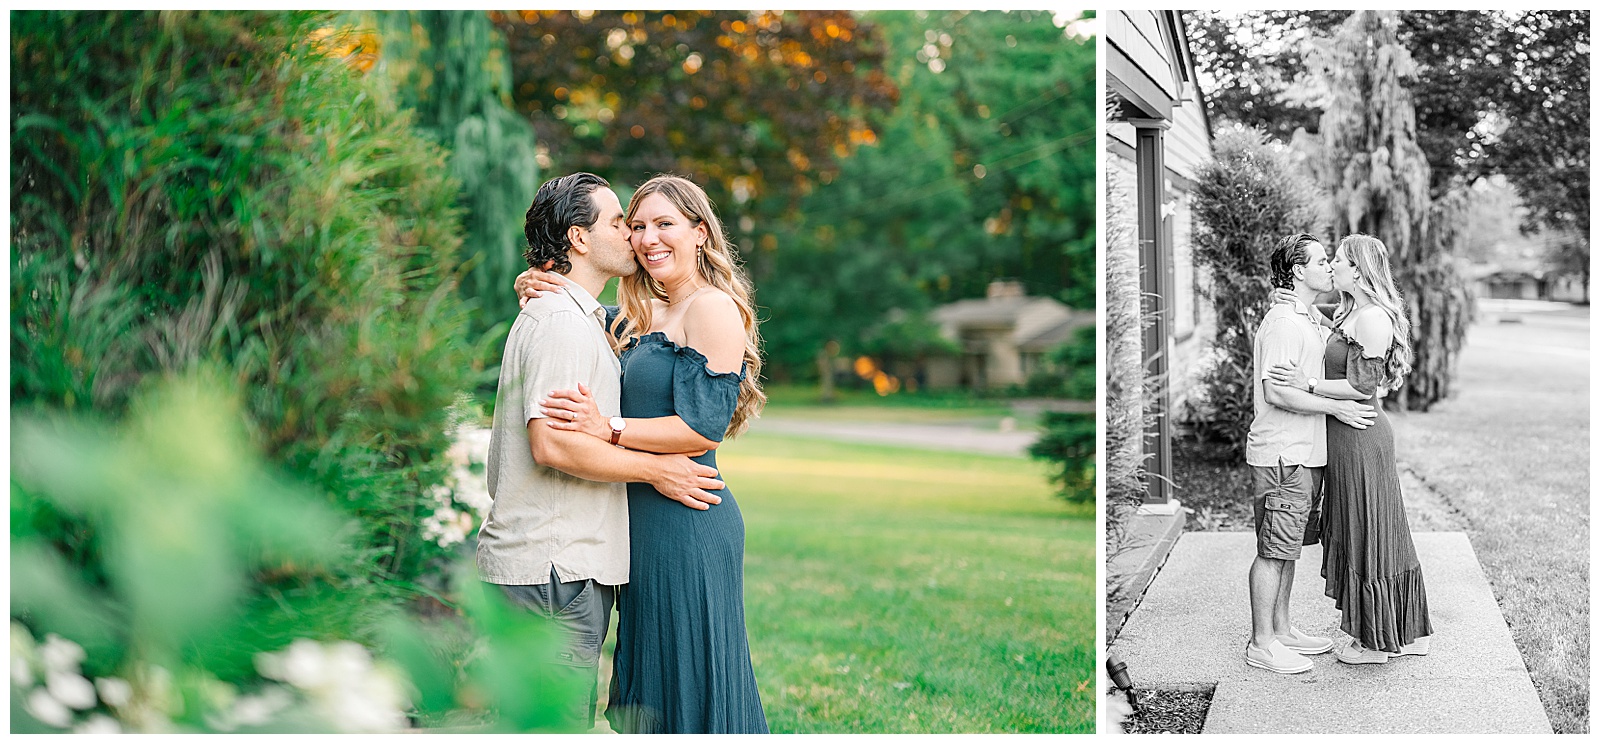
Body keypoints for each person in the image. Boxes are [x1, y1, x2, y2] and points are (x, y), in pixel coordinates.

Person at [514, 175, 769, 733]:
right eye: (637, 226)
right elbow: (577, 311)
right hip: (637, 523)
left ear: (701, 232)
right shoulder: (640, 315)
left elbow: (703, 429)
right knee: (648, 690)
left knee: (691, 679)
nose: (648, 238)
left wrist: (609, 427)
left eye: (665, 224)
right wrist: (535, 281)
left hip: (687, 519)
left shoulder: (712, 309)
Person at [1266, 233, 1434, 664]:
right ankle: (1398, 631)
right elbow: (1321, 326)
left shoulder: (1373, 317)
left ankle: (1375, 642)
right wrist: (1292, 301)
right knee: (1370, 527)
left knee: (1367, 530)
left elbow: (1363, 386)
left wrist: (1306, 383)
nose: (1331, 265)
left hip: (1359, 433)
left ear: (1357, 270)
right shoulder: (1349, 312)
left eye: (1337, 260)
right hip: (1342, 434)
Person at [1243, 232, 1377, 675]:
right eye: (1321, 261)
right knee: (1272, 550)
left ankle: (1282, 629)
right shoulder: (1283, 322)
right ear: (1299, 271)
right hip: (1284, 454)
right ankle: (1262, 643)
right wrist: (1335, 405)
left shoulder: (1300, 316)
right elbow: (1276, 391)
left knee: (1290, 547)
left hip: (1305, 454)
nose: (1329, 267)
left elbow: (1329, 331)